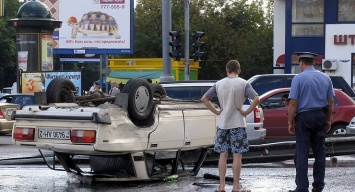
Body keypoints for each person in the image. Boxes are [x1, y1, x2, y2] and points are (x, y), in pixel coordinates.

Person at [201, 60, 259, 192]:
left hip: (223, 123)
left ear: (227, 70)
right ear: (238, 70)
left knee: (223, 155)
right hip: (238, 123)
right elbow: (256, 99)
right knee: (237, 155)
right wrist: (246, 112)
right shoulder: (244, 83)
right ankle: (236, 186)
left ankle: (221, 186)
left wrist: (216, 111)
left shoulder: (218, 84)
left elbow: (204, 98)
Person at [288, 52, 334, 192]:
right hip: (320, 115)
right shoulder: (326, 77)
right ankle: (318, 186)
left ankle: (302, 187)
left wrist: (290, 121)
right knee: (320, 152)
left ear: (302, 63)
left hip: (304, 117)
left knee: (302, 153)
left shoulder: (298, 79)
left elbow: (293, 103)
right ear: (313, 62)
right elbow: (330, 101)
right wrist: (328, 119)